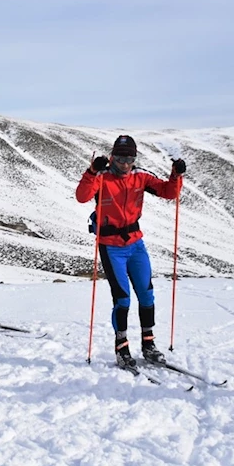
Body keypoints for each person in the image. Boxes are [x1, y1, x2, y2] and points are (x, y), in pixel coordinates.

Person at [75, 135, 186, 369]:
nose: (125, 164)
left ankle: (149, 345)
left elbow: (168, 192)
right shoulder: (103, 178)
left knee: (146, 295)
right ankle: (122, 347)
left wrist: (175, 176)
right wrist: (92, 172)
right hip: (110, 245)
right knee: (122, 298)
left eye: (130, 158)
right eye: (120, 158)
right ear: (112, 156)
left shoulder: (141, 177)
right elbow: (82, 196)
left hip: (135, 244)